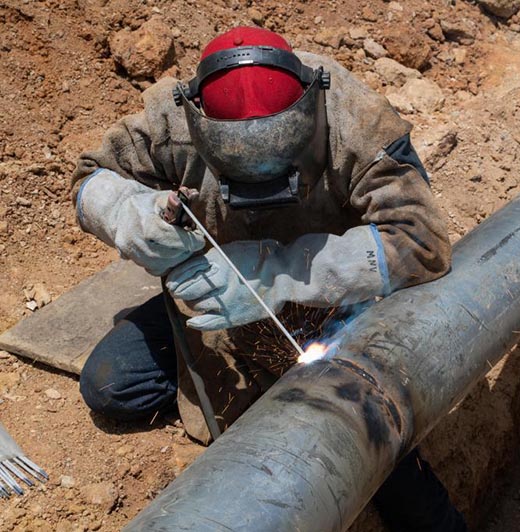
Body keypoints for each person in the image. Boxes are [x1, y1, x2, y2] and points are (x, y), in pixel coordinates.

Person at [71, 26, 465, 531]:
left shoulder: (357, 121)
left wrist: (280, 274)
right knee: (111, 387)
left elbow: (422, 242)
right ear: (198, 118)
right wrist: (128, 214)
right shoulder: (171, 118)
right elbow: (90, 178)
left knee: (378, 452)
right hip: (223, 298)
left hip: (333, 306)